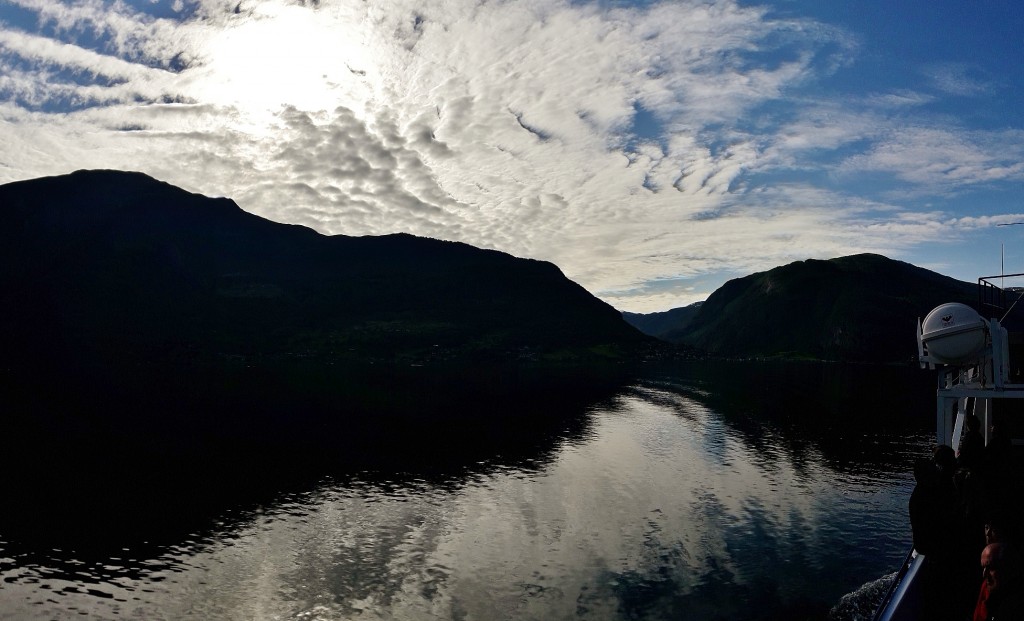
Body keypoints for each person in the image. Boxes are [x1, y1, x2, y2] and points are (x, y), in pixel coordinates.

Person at [973, 542, 1024, 621]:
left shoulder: (1016, 606)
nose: (984, 575)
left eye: (991, 567)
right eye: (983, 568)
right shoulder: (991, 600)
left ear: (1007, 567)